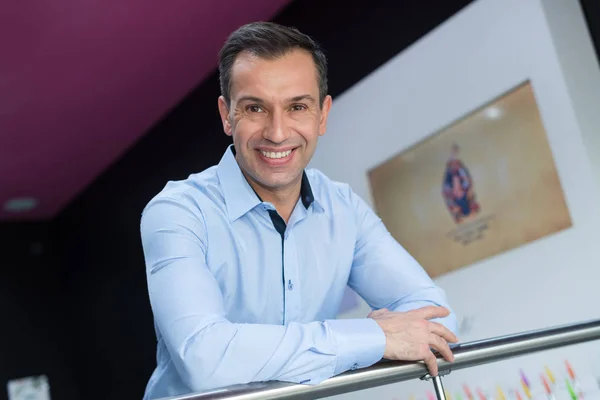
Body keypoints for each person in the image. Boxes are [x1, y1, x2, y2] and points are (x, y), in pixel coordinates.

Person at [140, 21, 459, 400]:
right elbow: (205, 359)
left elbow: (439, 318)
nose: (277, 132)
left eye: (297, 106)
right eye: (255, 108)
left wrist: (362, 342)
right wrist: (373, 337)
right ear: (227, 116)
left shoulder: (343, 208)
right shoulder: (177, 212)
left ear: (322, 114)